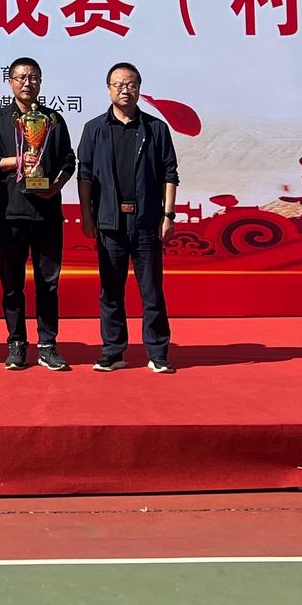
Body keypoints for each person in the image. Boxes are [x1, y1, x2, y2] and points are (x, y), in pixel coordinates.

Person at [75, 62, 177, 374]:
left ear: (139, 89)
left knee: (152, 291)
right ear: (108, 89)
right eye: (118, 84)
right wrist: (87, 216)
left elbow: (169, 173)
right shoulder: (94, 129)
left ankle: (157, 352)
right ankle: (113, 351)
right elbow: (85, 175)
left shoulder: (156, 128)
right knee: (110, 291)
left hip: (146, 221)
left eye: (131, 84)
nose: (125, 90)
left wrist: (168, 215)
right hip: (109, 222)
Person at [0, 56, 77, 371]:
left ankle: (48, 345)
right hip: (11, 215)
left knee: (49, 282)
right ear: (10, 82)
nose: (27, 83)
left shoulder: (53, 119)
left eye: (33, 77)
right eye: (21, 77)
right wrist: (17, 161)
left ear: (40, 82)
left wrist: (56, 185)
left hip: (47, 214)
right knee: (12, 284)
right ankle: (17, 343)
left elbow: (68, 160)